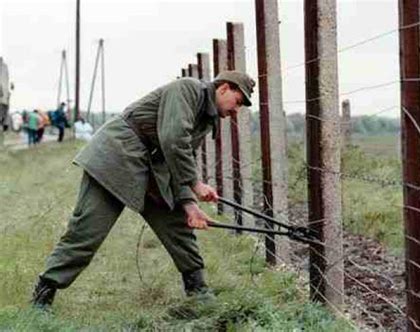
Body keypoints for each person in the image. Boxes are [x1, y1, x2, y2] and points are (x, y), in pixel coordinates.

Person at [31, 70, 255, 309]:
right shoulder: (188, 89)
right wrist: (196, 184)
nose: (235, 111)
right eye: (238, 102)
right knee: (88, 229)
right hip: (117, 154)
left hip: (152, 166)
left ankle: (198, 292)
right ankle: (45, 293)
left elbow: (180, 157)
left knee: (178, 223)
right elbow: (173, 139)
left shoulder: (207, 118)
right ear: (223, 88)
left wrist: (189, 204)